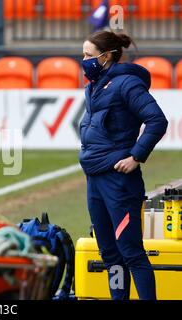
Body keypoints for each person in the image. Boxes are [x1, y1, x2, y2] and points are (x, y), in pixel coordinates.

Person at [79, 31, 168, 300]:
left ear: (106, 57)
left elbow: (157, 121)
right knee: (109, 253)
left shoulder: (127, 84)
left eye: (87, 55)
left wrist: (136, 156)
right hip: (95, 180)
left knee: (131, 252)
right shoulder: (93, 87)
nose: (83, 60)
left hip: (119, 183)